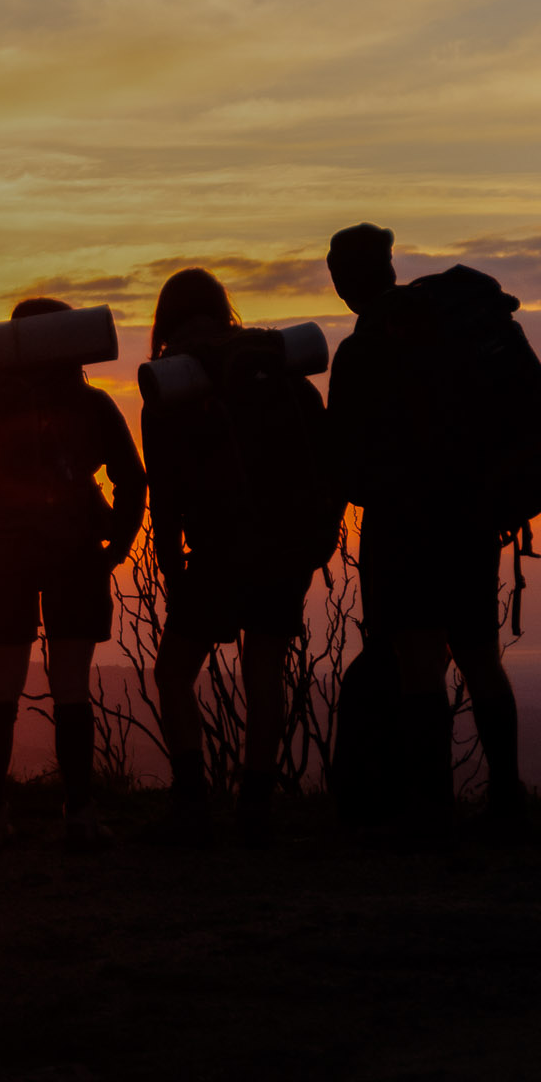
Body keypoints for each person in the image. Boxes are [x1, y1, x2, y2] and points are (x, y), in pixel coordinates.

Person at [325, 223, 533, 840]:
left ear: (345, 280)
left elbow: (344, 456)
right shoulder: (454, 330)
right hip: (470, 516)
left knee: (419, 661)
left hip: (402, 523)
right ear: (389, 267)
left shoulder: (362, 350)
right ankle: (507, 797)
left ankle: (431, 806)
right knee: (480, 658)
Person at [145, 269, 343, 843]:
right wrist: (320, 538)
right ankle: (255, 804)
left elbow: (166, 493)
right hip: (286, 546)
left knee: (173, 672)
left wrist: (171, 566)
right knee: (264, 672)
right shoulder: (282, 374)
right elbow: (325, 464)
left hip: (219, 550)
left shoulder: (173, 388)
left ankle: (191, 802)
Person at [0, 297, 145, 851]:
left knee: (1, 686)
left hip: (3, 557)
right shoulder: (91, 403)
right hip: (74, 552)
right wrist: (115, 543)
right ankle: (81, 814)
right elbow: (132, 478)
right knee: (71, 686)